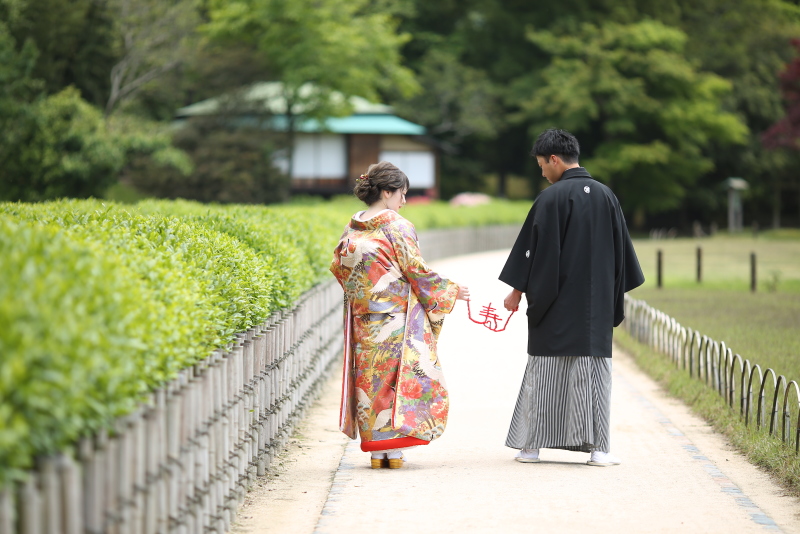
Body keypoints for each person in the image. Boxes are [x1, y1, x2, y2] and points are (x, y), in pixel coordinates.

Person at [499, 129, 644, 467]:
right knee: (595, 376)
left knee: (544, 374)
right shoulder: (607, 196)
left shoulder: (549, 199)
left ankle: (532, 447)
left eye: (541, 165)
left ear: (554, 159)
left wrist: (517, 291)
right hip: (595, 308)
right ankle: (600, 451)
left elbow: (534, 253)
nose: (542, 173)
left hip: (555, 305)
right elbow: (623, 254)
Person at [330, 161, 470, 469]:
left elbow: (340, 269)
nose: (404, 201)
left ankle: (377, 451)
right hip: (396, 318)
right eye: (402, 194)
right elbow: (416, 270)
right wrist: (450, 290)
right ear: (386, 192)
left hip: (363, 317)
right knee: (395, 379)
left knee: (369, 381)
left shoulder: (351, 228)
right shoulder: (397, 226)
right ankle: (393, 451)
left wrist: (365, 296)